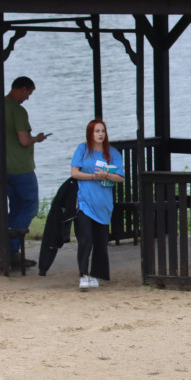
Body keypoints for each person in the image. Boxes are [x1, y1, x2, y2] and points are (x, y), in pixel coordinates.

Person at [0, 76, 47, 267]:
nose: (27, 98)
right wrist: (37, 139)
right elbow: (23, 140)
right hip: (22, 168)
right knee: (30, 206)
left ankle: (6, 249)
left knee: (15, 208)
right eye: (28, 94)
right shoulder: (18, 111)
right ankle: (11, 249)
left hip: (3, 170)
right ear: (22, 89)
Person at [69, 120, 124, 290]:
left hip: (103, 203)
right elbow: (74, 172)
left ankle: (96, 274)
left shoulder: (113, 153)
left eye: (103, 131)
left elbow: (120, 177)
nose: (100, 134)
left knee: (101, 241)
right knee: (85, 238)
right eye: (96, 131)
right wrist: (93, 177)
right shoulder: (82, 150)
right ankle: (83, 274)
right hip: (85, 201)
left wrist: (107, 175)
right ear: (90, 134)